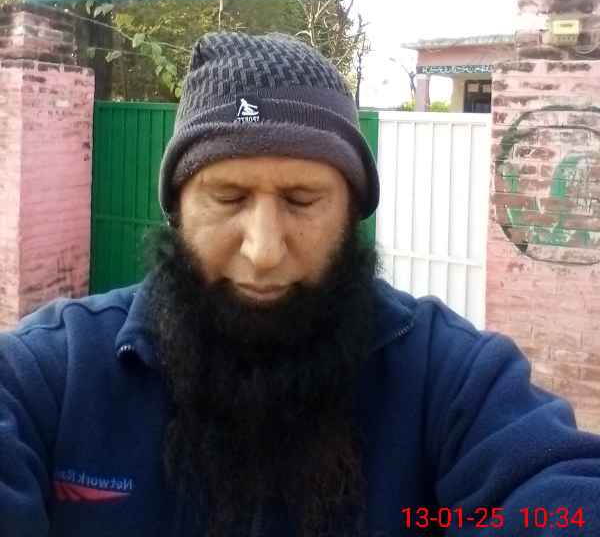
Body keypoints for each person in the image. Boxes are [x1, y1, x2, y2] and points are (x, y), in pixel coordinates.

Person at [1, 31, 599, 537]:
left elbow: (562, 495)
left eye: (302, 200)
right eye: (228, 197)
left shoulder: (449, 380)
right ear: (178, 209)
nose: (263, 251)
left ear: (352, 212)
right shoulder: (53, 376)